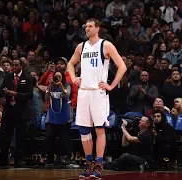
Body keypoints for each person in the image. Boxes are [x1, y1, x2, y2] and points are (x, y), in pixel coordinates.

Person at [67, 18, 127, 179]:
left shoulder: (106, 45)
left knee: (99, 129)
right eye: (86, 26)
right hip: (84, 92)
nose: (87, 29)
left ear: (97, 28)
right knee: (84, 130)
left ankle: (99, 165)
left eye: (90, 26)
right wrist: (74, 78)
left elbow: (122, 66)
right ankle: (88, 164)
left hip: (98, 92)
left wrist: (111, 85)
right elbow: (70, 64)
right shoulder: (81, 47)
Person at [0, 59, 33, 168]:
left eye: (16, 65)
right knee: (5, 135)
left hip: (21, 111)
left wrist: (15, 94)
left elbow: (29, 95)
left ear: (21, 66)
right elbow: (1, 91)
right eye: (13, 64)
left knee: (20, 137)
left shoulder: (27, 77)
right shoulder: (8, 76)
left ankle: (19, 160)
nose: (14, 66)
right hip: (9, 110)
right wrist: (4, 95)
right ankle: (2, 160)